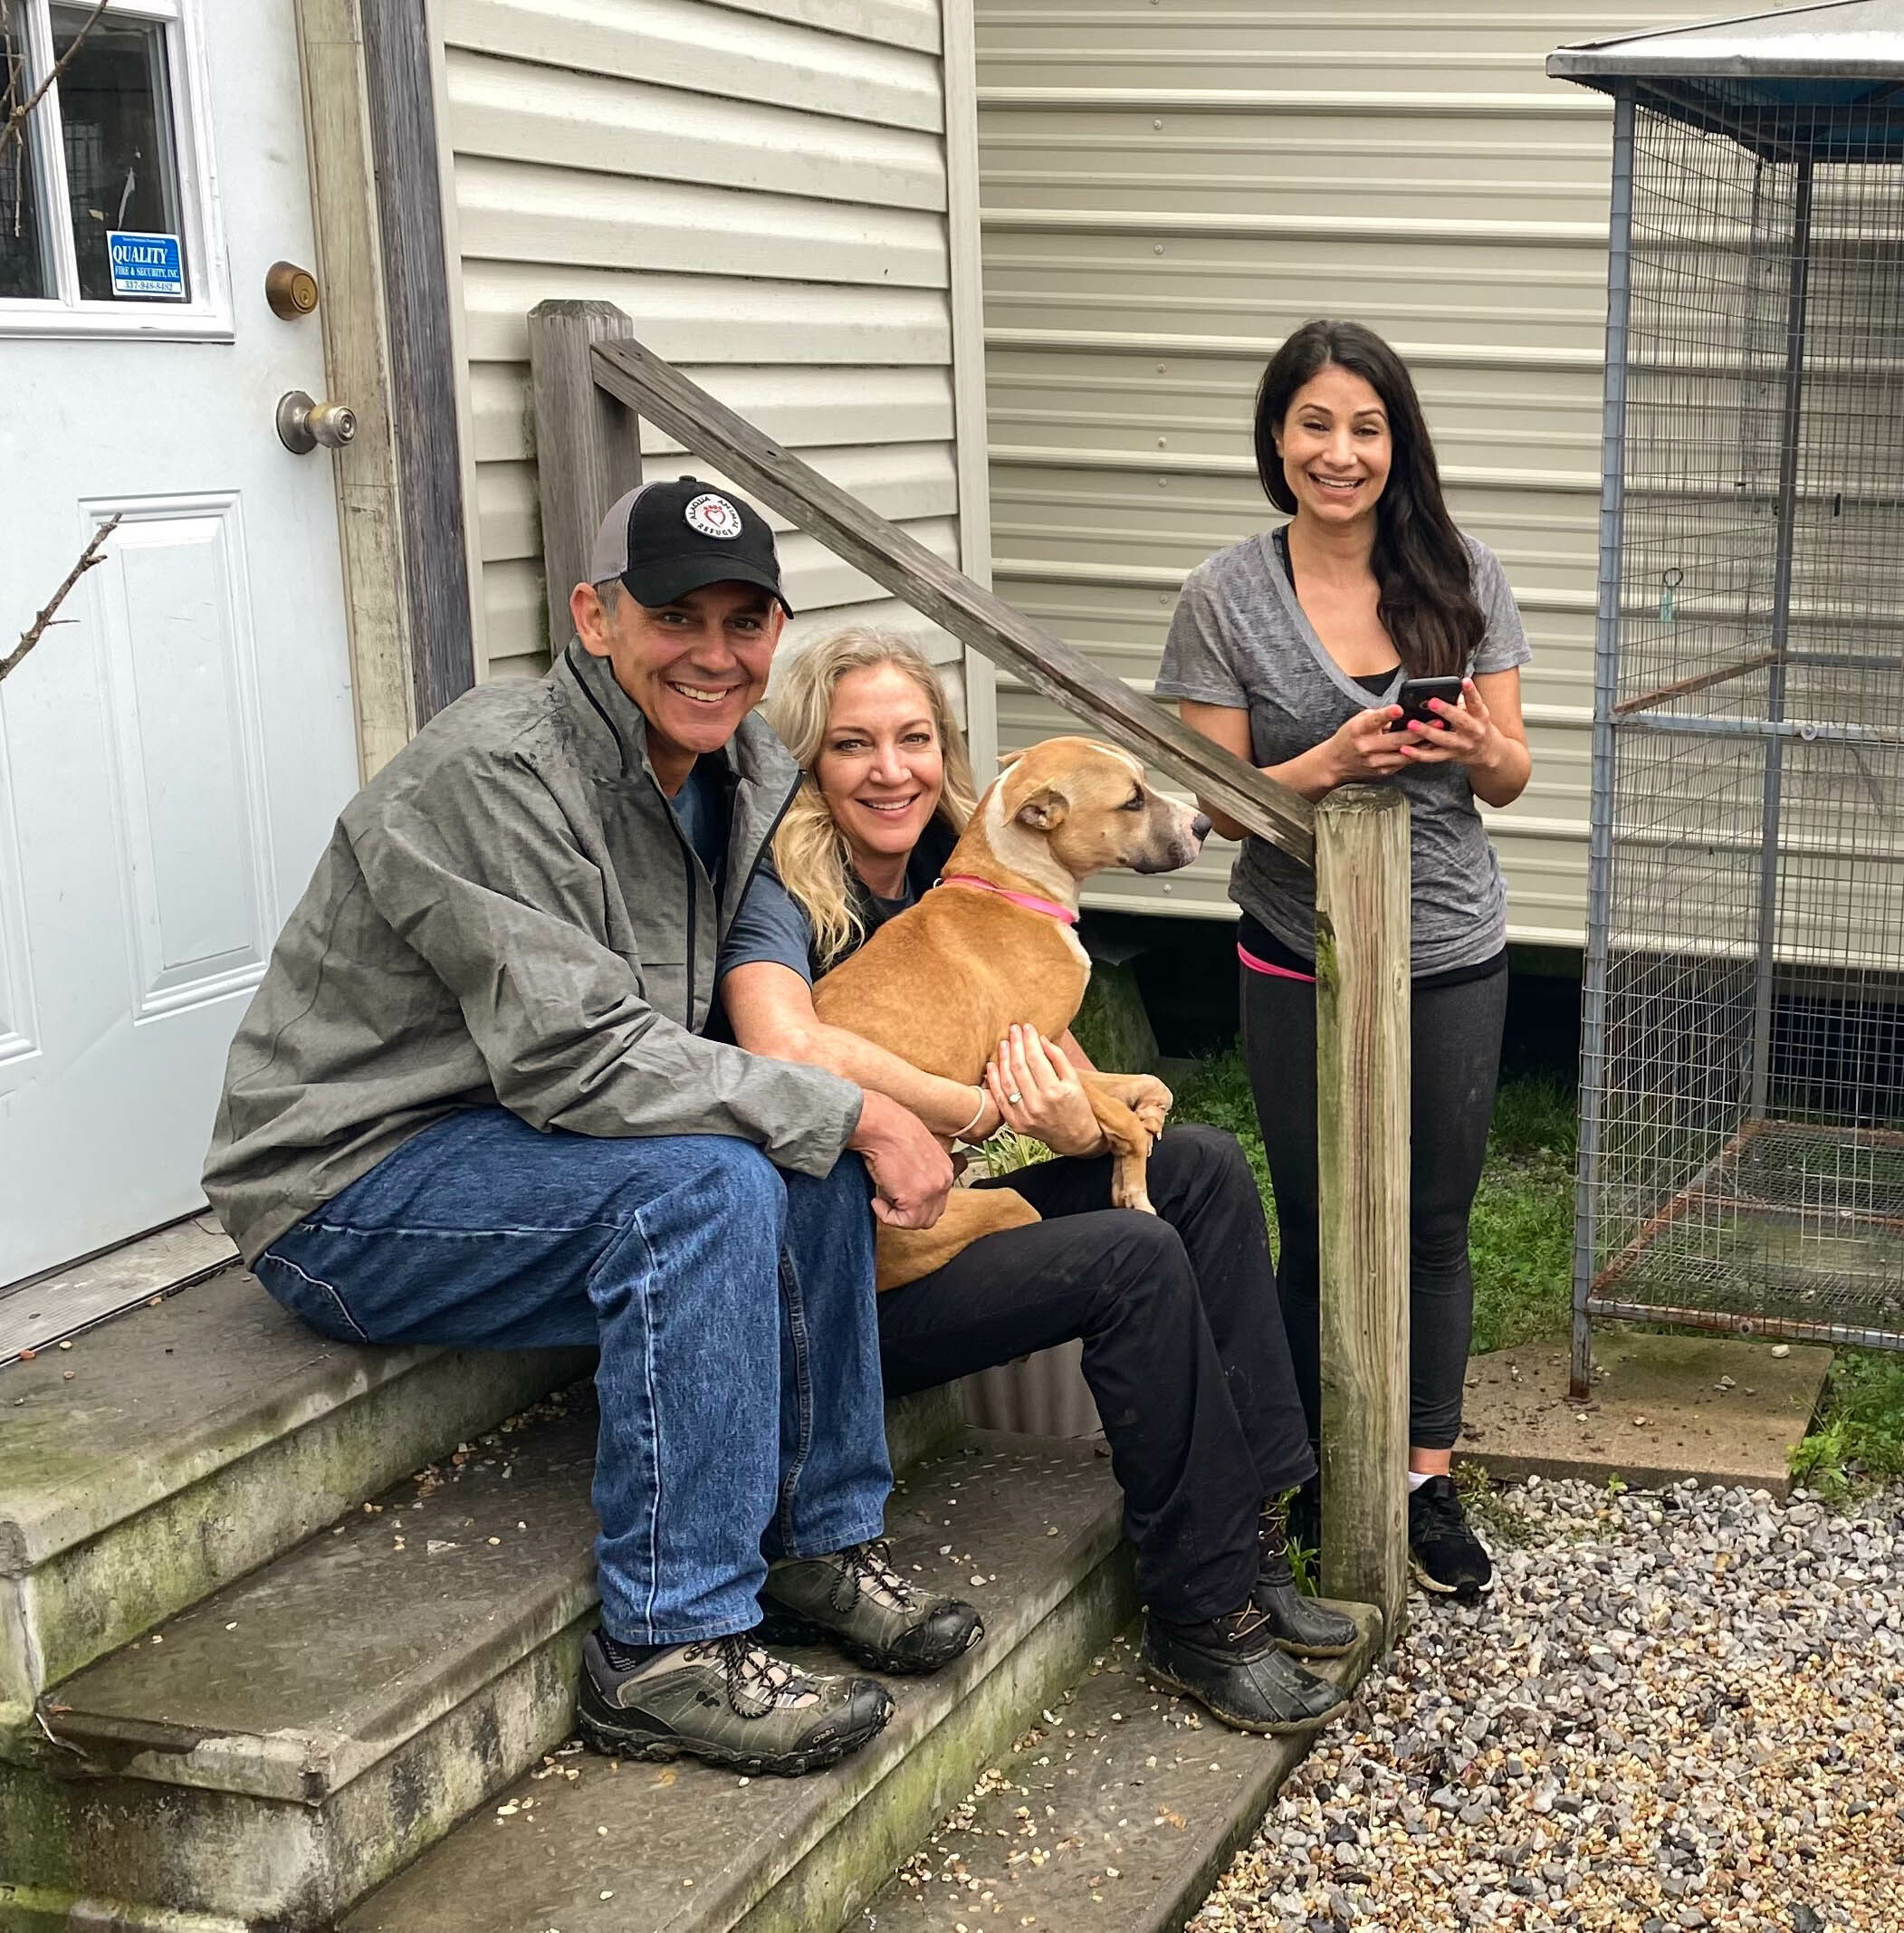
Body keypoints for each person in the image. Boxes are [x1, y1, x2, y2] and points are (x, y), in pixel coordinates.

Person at [202, 477, 986, 1779]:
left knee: (790, 1158)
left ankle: (815, 1542)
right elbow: (577, 1056)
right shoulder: (494, 771)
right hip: (350, 1177)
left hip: (526, 1139)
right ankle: (662, 1647)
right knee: (713, 1185)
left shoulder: (743, 769)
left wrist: (856, 1103)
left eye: (744, 621)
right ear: (594, 614)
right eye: (674, 614)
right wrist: (856, 1107)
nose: (713, 652)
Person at [717, 627, 1357, 1737]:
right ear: (808, 762)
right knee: (1130, 1253)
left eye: (915, 738)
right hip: (838, 1277)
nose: (892, 769)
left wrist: (1061, 1118)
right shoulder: (774, 892)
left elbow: (1015, 1089)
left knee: (1196, 1165)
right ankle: (1201, 1614)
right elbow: (787, 1047)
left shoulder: (959, 867)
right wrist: (988, 1117)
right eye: (854, 744)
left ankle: (1253, 1528)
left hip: (940, 1201)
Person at [1155, 319, 1534, 1602]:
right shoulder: (1222, 595)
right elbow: (1206, 801)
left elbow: (1512, 775)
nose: (1339, 451)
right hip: (1293, 943)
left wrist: (1470, 740)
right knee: (1317, 1215)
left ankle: (1421, 1469)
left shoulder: (1461, 568)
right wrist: (1329, 763)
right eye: (1314, 424)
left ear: (1395, 442)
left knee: (1430, 1214)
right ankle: (1317, 1459)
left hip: (1445, 940)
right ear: (1275, 437)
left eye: (1364, 427)